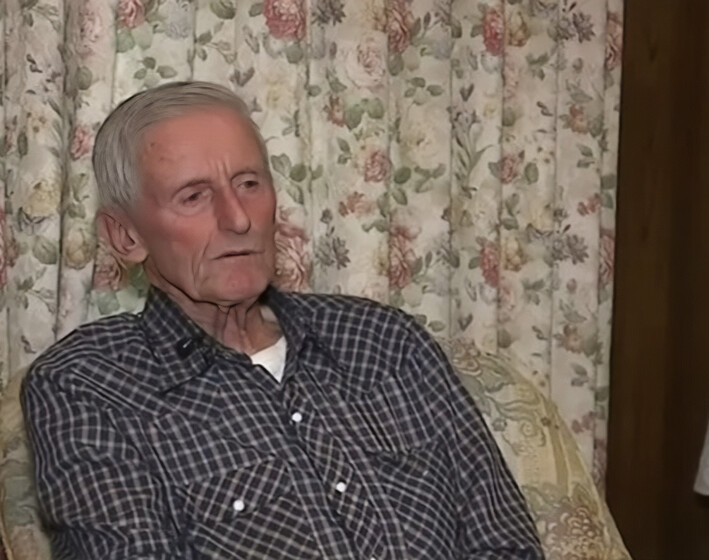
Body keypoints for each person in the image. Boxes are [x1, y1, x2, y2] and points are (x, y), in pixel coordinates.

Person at [23, 81, 543, 559]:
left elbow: (505, 543)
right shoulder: (88, 385)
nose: (238, 218)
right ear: (126, 236)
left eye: (249, 183)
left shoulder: (384, 342)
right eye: (194, 196)